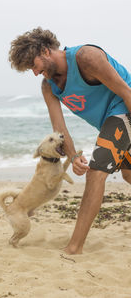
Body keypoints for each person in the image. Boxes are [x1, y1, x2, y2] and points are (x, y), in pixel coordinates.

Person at [8, 27, 131, 254]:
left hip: (125, 110)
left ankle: (74, 248)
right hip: (111, 124)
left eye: (34, 66)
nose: (35, 73)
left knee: (96, 172)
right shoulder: (49, 87)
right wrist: (73, 156)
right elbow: (59, 129)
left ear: (45, 51)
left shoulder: (86, 57)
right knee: (128, 175)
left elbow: (126, 92)